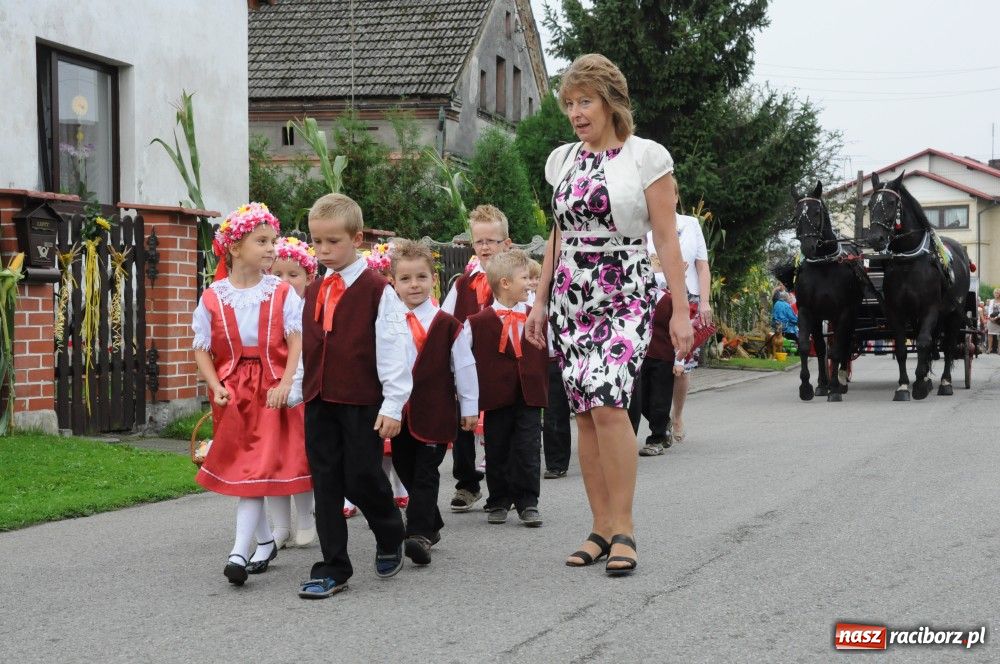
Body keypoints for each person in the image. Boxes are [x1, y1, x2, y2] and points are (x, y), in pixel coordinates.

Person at [525, 53, 693, 576]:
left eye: (585, 101)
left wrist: (681, 310)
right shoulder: (561, 160)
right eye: (569, 104)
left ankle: (624, 529)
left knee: (609, 402)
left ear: (610, 102)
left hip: (623, 288)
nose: (575, 113)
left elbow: (665, 238)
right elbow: (557, 234)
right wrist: (539, 300)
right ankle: (598, 527)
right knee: (584, 411)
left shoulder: (647, 157)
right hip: (571, 293)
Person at [297, 193, 412, 600]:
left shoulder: (377, 290)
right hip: (319, 400)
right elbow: (307, 346)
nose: (324, 250)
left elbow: (396, 350)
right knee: (325, 480)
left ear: (358, 238)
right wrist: (298, 388)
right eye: (317, 242)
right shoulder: (313, 289)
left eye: (334, 242)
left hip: (362, 399)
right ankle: (333, 567)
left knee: (361, 475)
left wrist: (393, 404)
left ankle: (388, 529)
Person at [192, 203, 310, 586]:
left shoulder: (280, 292)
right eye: (261, 241)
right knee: (244, 469)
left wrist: (287, 382)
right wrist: (215, 385)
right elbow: (201, 347)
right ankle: (263, 541)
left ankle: (238, 552)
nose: (271, 248)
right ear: (235, 248)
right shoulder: (213, 295)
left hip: (269, 390)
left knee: (256, 468)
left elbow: (296, 340)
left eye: (273, 240)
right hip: (232, 392)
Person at [388, 239, 479, 564]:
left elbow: (465, 368)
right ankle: (433, 523)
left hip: (436, 412)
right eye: (406, 279)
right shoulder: (388, 323)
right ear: (393, 283)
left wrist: (469, 408)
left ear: (433, 280)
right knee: (404, 468)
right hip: (399, 414)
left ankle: (419, 535)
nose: (414, 285)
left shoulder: (447, 324)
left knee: (426, 473)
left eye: (421, 277)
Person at [459, 249, 548, 526]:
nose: (530, 283)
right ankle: (498, 499)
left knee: (528, 448)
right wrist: (468, 401)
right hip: (496, 396)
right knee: (497, 448)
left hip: (530, 394)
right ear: (505, 283)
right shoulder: (475, 323)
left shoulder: (538, 316)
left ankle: (528, 502)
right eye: (525, 277)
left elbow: (552, 352)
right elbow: (461, 360)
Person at [441, 204, 514, 513]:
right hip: (467, 365)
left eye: (492, 241)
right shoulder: (462, 283)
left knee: (499, 429)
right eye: (479, 241)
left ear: (506, 244)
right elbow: (444, 319)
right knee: (462, 426)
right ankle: (467, 483)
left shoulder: (513, 282)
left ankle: (504, 487)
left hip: (500, 366)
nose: (485, 247)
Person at [654, 203, 712, 445]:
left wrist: (705, 302)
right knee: (655, 361)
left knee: (682, 362)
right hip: (653, 297)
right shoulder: (645, 227)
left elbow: (702, 265)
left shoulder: (691, 224)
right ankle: (657, 419)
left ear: (674, 197)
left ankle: (676, 415)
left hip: (688, 298)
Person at [986, 288, 1000, 353]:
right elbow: (989, 310)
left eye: (997, 293)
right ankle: (989, 348)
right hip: (991, 320)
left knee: (999, 335)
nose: (996, 294)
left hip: (998, 320)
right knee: (990, 334)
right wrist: (990, 318)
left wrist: (996, 318)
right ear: (993, 294)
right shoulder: (991, 301)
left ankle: (999, 349)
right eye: (995, 293)